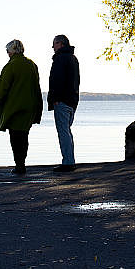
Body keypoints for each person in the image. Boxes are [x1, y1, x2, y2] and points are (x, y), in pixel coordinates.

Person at [0, 39, 43, 175]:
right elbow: (36, 87)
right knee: (24, 136)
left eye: (8, 51)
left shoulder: (11, 66)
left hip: (14, 108)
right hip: (30, 107)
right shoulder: (31, 65)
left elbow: (2, 88)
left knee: (15, 137)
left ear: (12, 50)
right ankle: (22, 163)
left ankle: (19, 164)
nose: (7, 53)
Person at [48, 34, 80, 172]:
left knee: (63, 132)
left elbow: (57, 80)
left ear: (60, 44)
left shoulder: (60, 59)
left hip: (62, 100)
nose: (52, 47)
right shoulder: (73, 59)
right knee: (67, 131)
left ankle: (68, 162)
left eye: (54, 44)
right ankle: (69, 159)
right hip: (72, 100)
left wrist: (54, 99)